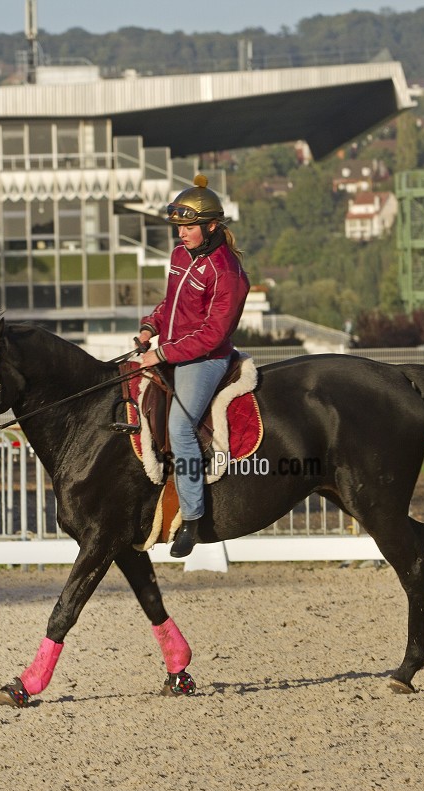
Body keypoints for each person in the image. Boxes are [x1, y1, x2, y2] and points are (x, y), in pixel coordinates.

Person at [136, 174, 249, 558]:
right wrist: (151, 325)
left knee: (180, 426)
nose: (181, 234)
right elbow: (172, 305)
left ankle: (194, 518)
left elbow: (213, 334)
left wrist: (164, 354)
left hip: (207, 360)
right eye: (180, 227)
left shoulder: (227, 272)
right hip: (171, 349)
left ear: (212, 226)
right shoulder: (179, 255)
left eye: (188, 227)